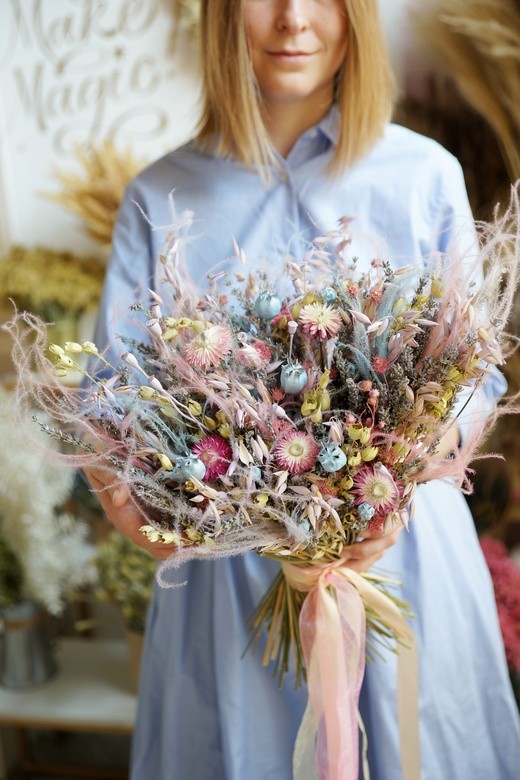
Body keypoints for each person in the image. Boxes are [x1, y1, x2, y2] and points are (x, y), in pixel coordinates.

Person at [87, 1, 520, 777]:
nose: (293, 19)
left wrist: (405, 474)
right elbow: (112, 400)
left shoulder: (424, 176)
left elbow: (477, 374)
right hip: (226, 588)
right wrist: (131, 501)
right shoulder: (161, 195)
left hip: (404, 558)